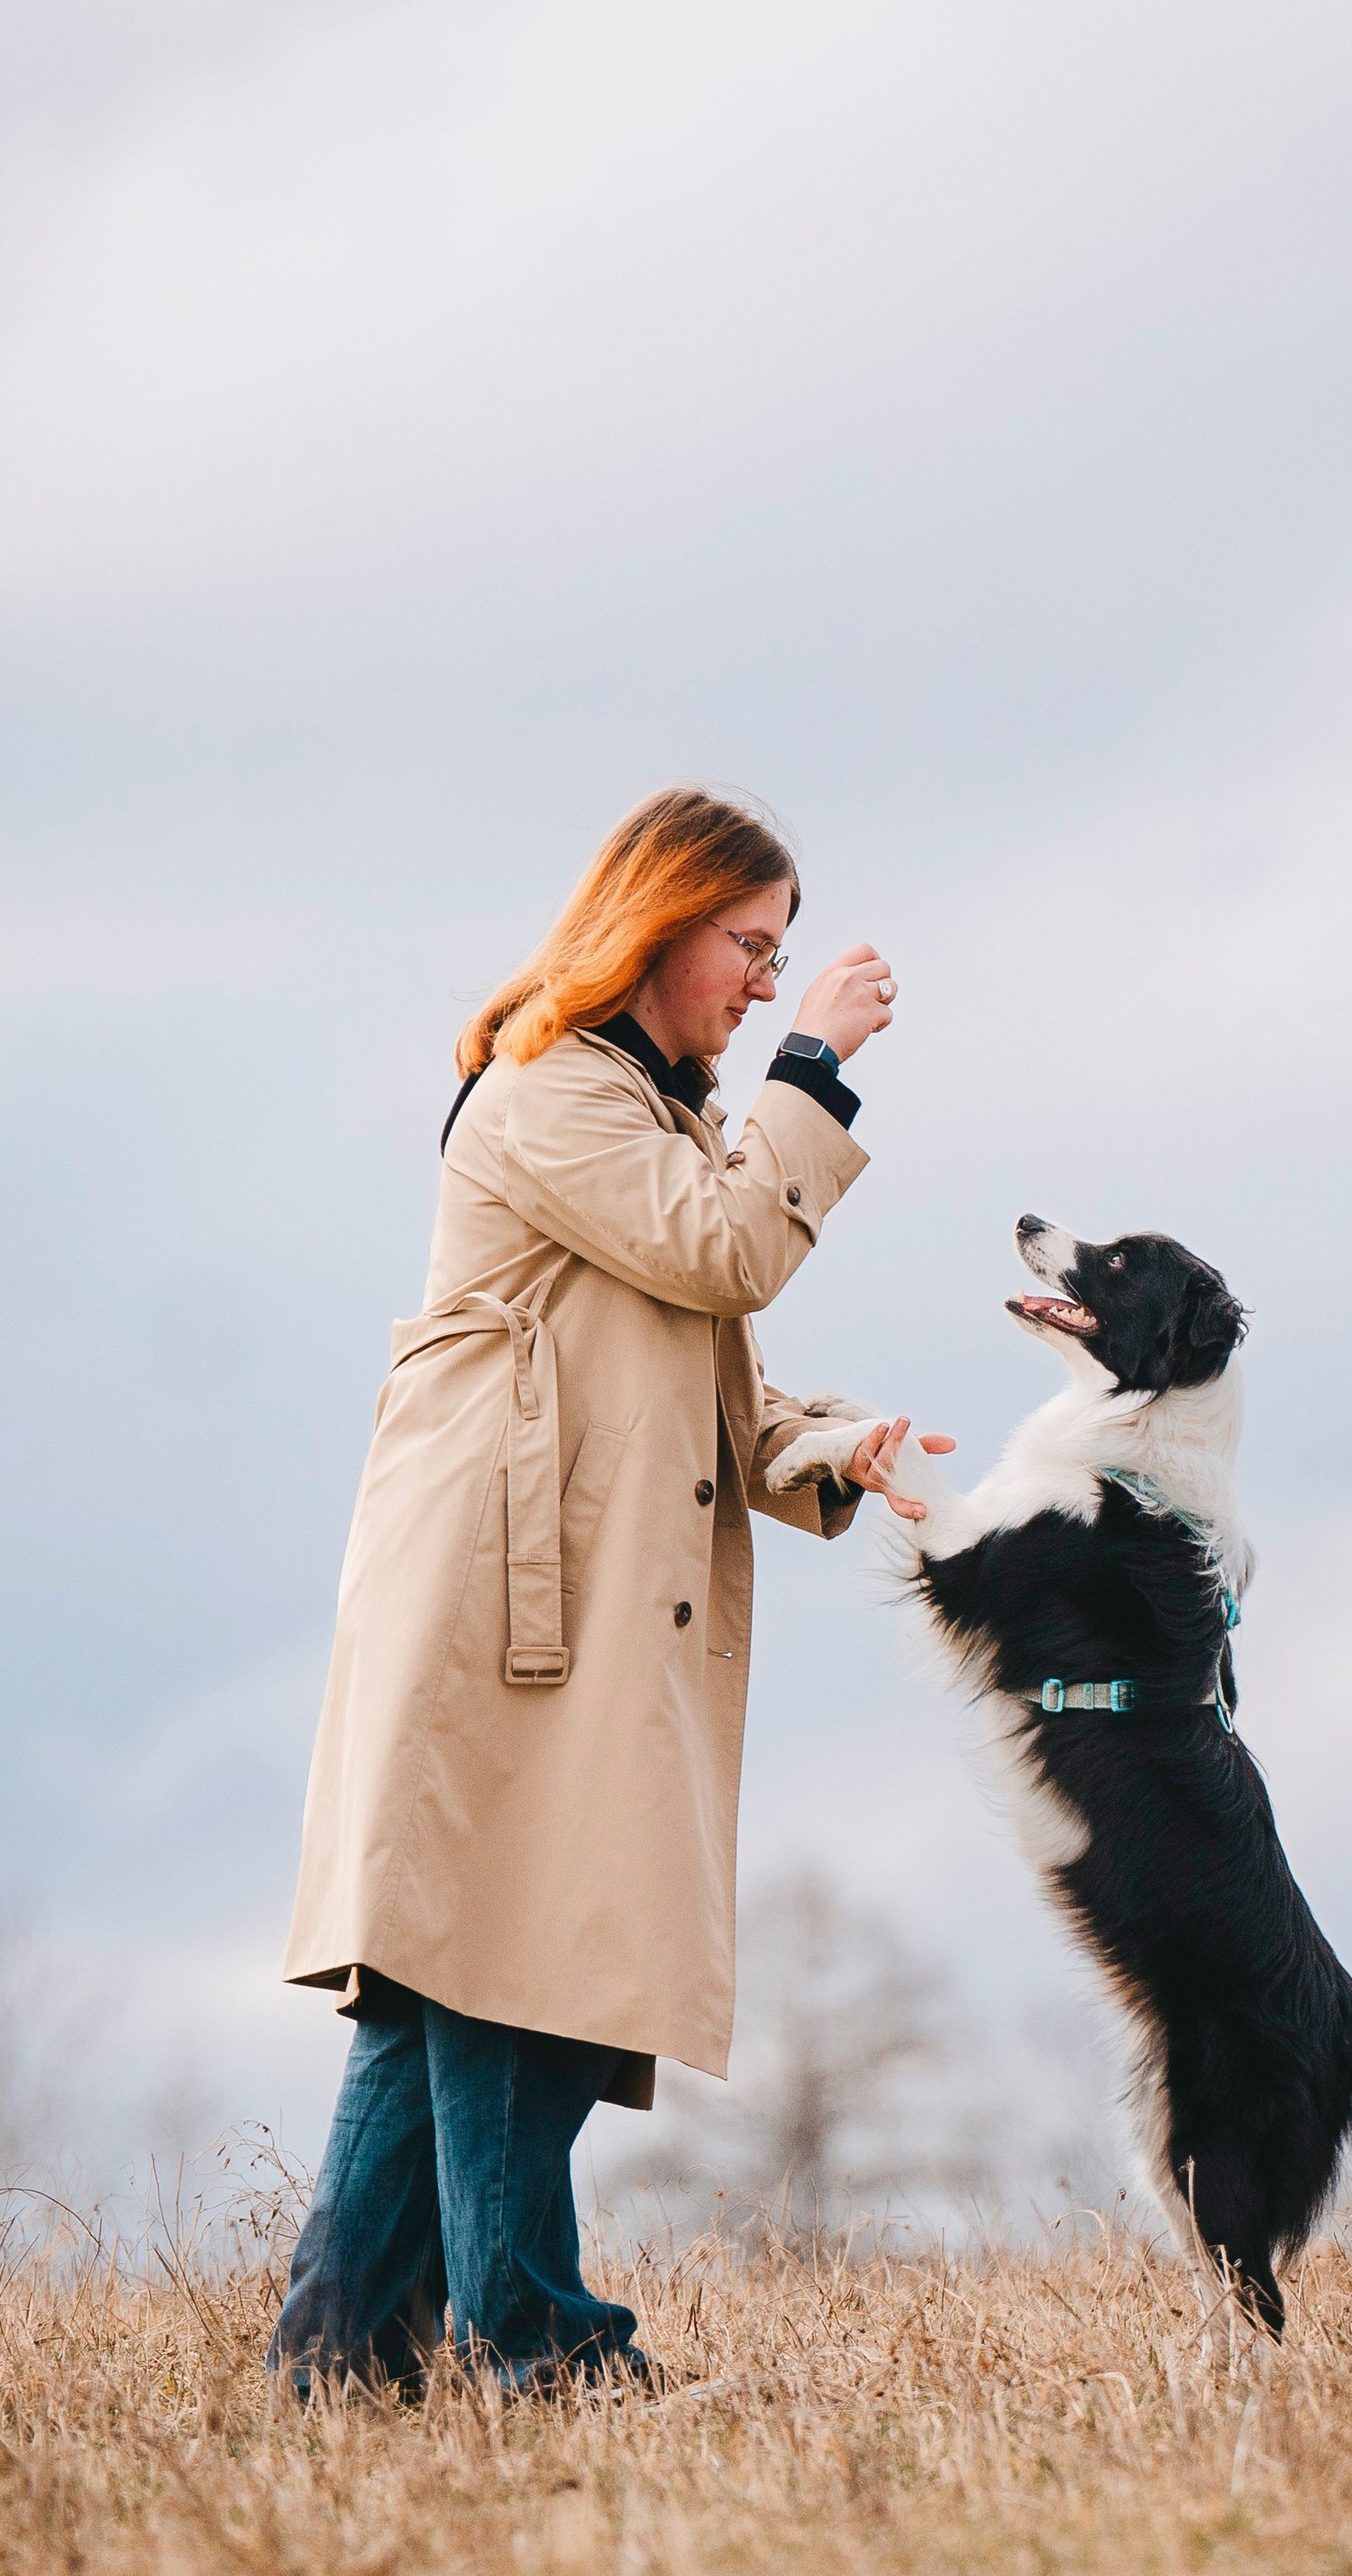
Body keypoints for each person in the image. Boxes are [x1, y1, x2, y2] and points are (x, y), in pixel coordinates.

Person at [270, 786, 948, 2394]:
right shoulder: (552, 1089)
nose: (767, 985)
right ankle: (537, 2347)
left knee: (458, 1974)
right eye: (751, 948)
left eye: (780, 961)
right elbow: (724, 1251)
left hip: (554, 1599)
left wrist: (838, 1447)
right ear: (662, 922)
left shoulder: (649, 1115)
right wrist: (816, 1069)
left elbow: (710, 1384)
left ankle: (340, 2356)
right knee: (524, 1965)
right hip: (509, 1605)